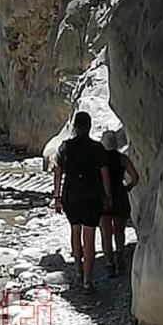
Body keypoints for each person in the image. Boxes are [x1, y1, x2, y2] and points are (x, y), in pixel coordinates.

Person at [53, 111, 112, 292]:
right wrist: (107, 195)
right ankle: (87, 280)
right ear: (89, 126)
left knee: (75, 232)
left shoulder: (65, 147)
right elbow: (104, 174)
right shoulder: (97, 148)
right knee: (89, 237)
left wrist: (56, 197)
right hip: (92, 197)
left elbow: (57, 172)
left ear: (75, 126)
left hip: (71, 197)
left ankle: (78, 270)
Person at [99, 129, 139, 277]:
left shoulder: (99, 160)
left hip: (104, 198)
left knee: (106, 234)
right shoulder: (122, 158)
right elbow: (135, 177)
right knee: (119, 231)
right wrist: (128, 187)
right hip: (120, 196)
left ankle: (110, 264)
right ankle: (120, 255)